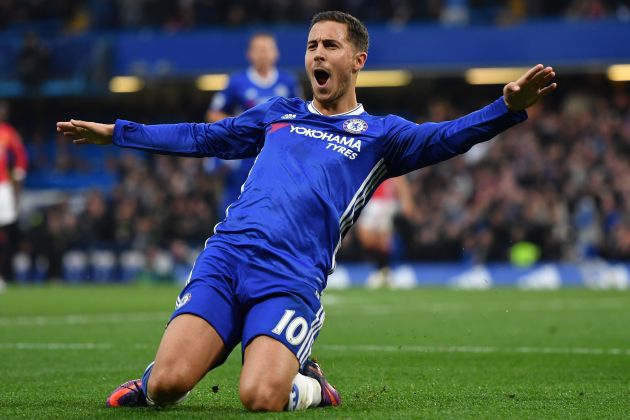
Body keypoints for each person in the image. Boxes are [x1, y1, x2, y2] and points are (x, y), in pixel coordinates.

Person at [57, 11, 556, 412]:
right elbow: (202, 136)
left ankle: (312, 385)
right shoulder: (279, 113)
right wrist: (116, 132)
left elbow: (446, 137)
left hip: (290, 277)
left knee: (259, 398)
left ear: (358, 60)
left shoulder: (383, 136)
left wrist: (505, 108)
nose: (318, 54)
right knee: (166, 387)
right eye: (313, 45)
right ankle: (154, 378)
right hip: (227, 259)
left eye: (330, 46)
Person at [205, 32, 301, 218]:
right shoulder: (237, 81)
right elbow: (213, 113)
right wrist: (242, 126)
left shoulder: (287, 81)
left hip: (275, 156)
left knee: (273, 212)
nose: (263, 54)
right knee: (234, 211)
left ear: (276, 53)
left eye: (267, 49)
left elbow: (299, 115)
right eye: (258, 50)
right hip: (243, 157)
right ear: (249, 54)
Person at [356, 176, 415, 288]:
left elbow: (400, 179)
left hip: (385, 201)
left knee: (384, 239)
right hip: (370, 201)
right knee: (366, 239)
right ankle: (383, 270)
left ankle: (384, 271)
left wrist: (406, 200)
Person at [0, 101, 28, 290]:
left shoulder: (8, 133)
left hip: (2, 186)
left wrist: (17, 182)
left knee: (5, 232)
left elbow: (20, 158)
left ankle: (3, 274)